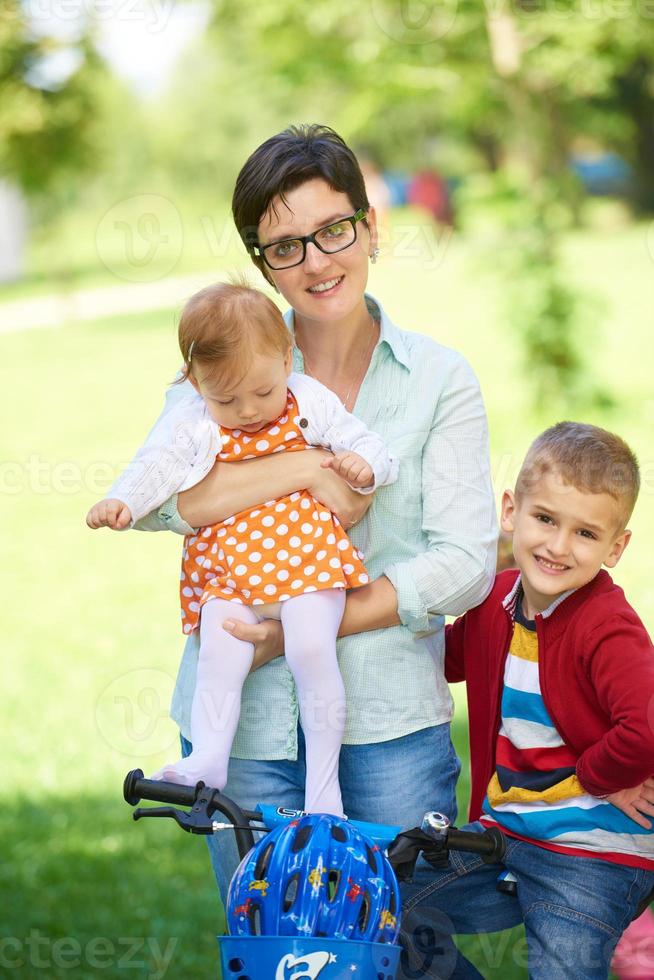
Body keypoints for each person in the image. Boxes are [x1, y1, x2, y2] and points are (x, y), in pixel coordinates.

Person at [126, 124, 497, 897]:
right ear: (263, 264)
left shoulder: (437, 377)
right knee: (273, 942)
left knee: (403, 945)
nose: (317, 262)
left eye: (333, 230)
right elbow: (165, 504)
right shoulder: (221, 366)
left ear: (369, 226)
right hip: (246, 732)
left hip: (390, 728)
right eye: (285, 245)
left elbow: (464, 563)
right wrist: (303, 465)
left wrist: (289, 631)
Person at [87, 281, 398, 816]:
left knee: (311, 650)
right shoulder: (194, 419)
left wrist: (365, 467)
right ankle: (210, 756)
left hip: (306, 561)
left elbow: (365, 443)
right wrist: (122, 501)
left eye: (261, 392)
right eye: (226, 398)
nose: (249, 410)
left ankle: (325, 788)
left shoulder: (308, 398)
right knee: (219, 654)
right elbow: (156, 465)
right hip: (228, 569)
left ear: (285, 359)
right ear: (195, 381)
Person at [399, 422, 654, 980]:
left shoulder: (608, 627)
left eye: (586, 534)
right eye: (545, 519)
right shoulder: (494, 602)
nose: (558, 547)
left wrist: (595, 774)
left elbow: (647, 729)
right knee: (387, 900)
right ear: (511, 511)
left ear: (616, 547)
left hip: (590, 853)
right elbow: (445, 659)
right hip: (506, 834)